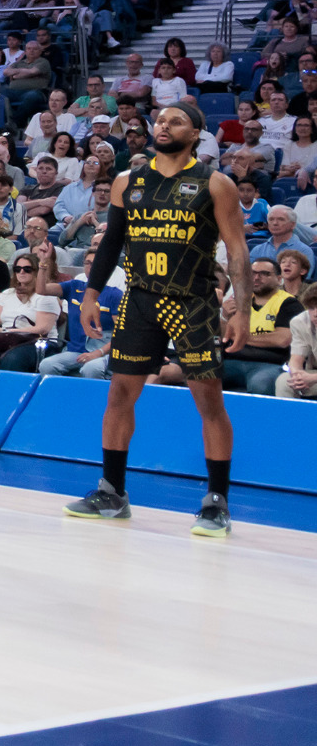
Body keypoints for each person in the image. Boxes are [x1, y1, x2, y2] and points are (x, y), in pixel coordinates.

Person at [64, 101, 252, 538]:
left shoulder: (215, 183)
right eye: (160, 120)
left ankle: (217, 501)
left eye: (176, 121)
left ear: (197, 133)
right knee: (119, 395)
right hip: (139, 300)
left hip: (193, 302)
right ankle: (112, 492)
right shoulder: (127, 181)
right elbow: (112, 242)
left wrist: (241, 310)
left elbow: (237, 250)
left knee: (208, 401)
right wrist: (90, 294)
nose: (164, 126)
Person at [219, 252, 303, 398]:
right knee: (202, 376)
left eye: (265, 274)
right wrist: (224, 317)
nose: (257, 278)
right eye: (253, 273)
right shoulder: (238, 301)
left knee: (260, 384)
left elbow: (282, 340)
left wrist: (241, 337)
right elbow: (224, 337)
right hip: (232, 360)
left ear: (279, 279)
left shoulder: (289, 303)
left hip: (270, 363)